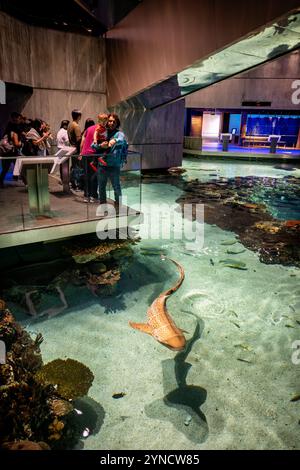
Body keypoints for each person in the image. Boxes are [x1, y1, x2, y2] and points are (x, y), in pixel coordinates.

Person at [94, 113, 128, 206]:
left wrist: (115, 140)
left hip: (114, 166)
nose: (111, 123)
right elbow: (93, 146)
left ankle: (119, 206)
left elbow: (121, 139)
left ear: (117, 123)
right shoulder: (102, 132)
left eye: (114, 121)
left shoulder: (119, 133)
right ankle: (103, 206)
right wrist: (100, 145)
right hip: (102, 166)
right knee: (101, 187)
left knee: (117, 187)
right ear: (106, 122)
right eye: (109, 121)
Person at [80, 118, 98, 203]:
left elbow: (82, 143)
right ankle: (93, 196)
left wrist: (81, 153)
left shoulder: (87, 130)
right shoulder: (98, 128)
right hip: (93, 154)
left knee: (86, 175)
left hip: (85, 154)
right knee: (94, 176)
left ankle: (86, 196)